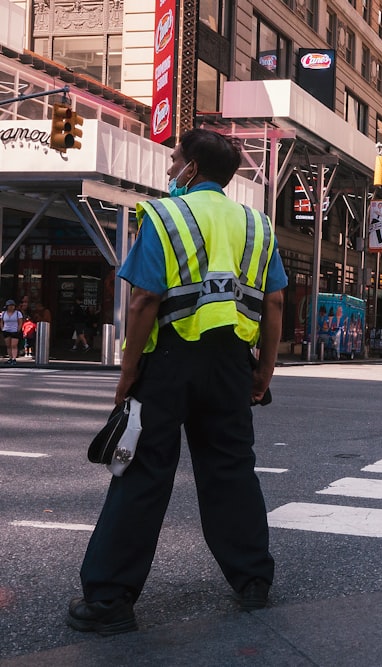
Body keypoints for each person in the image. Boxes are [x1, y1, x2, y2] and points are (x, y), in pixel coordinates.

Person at [67, 129, 288, 636]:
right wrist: (263, 371)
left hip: (167, 362)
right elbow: (274, 303)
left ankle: (110, 601)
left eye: (175, 159)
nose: (169, 167)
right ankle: (253, 581)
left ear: (191, 167)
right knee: (232, 471)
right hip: (232, 362)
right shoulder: (257, 224)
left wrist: (127, 377)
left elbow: (144, 301)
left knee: (142, 473)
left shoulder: (164, 216)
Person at [2, 299, 23, 364]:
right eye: (10, 306)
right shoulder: (3, 313)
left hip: (14, 330)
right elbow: (1, 321)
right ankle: (10, 358)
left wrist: (18, 329)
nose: (11, 307)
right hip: (6, 330)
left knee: (14, 345)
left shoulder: (18, 313)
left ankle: (14, 358)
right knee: (8, 345)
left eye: (12, 306)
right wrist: (2, 328)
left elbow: (20, 322)